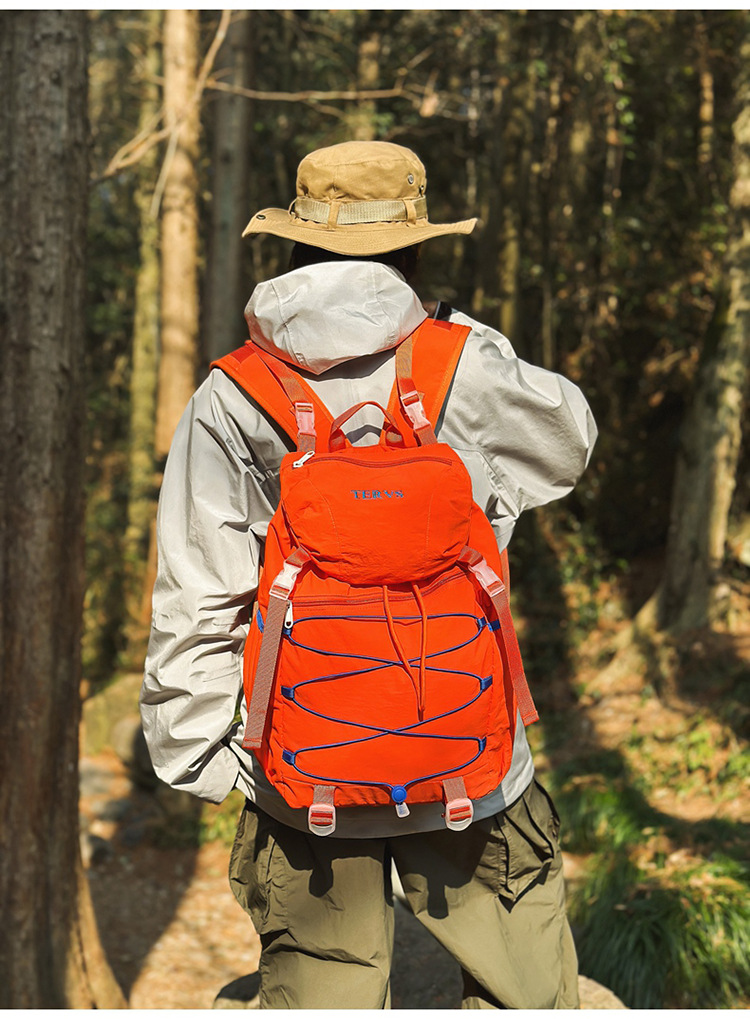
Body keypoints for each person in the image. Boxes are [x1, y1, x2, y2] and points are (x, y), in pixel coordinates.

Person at [140, 140, 597, 1009]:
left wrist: (198, 749)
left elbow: (198, 587)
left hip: (305, 762)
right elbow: (568, 441)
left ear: (295, 240)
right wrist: (464, 336)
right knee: (525, 989)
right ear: (415, 244)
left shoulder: (232, 393)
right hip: (467, 750)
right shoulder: (460, 361)